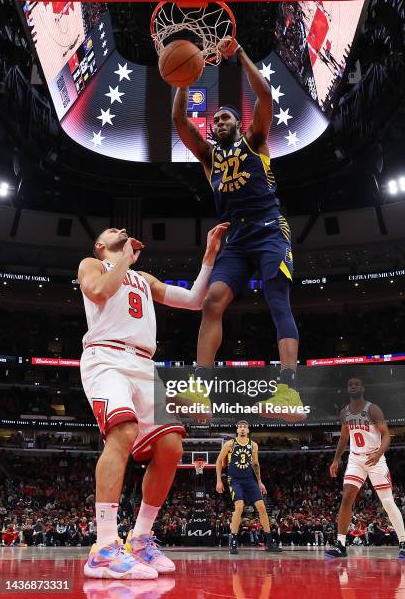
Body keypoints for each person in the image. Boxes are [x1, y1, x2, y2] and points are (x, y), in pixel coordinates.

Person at [79, 224, 227, 579]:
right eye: (112, 230)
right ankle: (104, 547)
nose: (120, 229)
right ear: (102, 245)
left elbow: (193, 301)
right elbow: (98, 292)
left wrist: (208, 258)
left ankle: (141, 538)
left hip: (145, 365)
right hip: (107, 357)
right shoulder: (93, 265)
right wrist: (125, 258)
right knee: (123, 431)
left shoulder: (143, 277)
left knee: (172, 445)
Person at [172, 37, 303, 422]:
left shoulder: (255, 141)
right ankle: (199, 389)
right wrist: (183, 81)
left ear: (239, 123)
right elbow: (180, 121)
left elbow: (265, 98)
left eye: (226, 117)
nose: (219, 121)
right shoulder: (209, 158)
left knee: (278, 297)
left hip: (268, 229)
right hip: (236, 239)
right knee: (212, 302)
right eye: (215, 121)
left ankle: (289, 391)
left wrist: (240, 54)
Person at [326, 377, 405, 559]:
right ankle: (341, 545)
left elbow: (386, 436)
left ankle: (403, 542)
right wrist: (336, 459)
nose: (352, 386)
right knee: (346, 498)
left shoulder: (373, 409)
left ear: (362, 388)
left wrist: (378, 454)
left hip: (375, 458)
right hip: (355, 459)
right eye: (350, 384)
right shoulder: (345, 412)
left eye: (356, 384)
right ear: (348, 389)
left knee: (387, 501)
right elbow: (344, 438)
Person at [215, 420, 282, 554]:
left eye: (245, 427)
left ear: (248, 430)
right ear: (237, 430)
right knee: (239, 507)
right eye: (240, 427)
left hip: (250, 480)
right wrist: (219, 481)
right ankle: (233, 542)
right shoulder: (230, 444)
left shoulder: (253, 445)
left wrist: (260, 482)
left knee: (262, 507)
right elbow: (218, 461)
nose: (242, 429)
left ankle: (269, 542)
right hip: (235, 480)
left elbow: (255, 464)